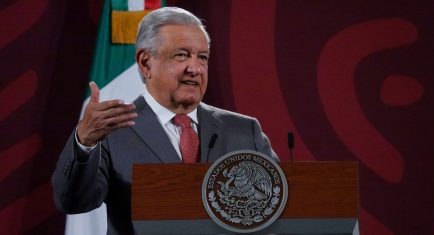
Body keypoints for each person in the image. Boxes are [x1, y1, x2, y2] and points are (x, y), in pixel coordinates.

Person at [52, 7, 277, 235]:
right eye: (181, 55)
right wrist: (84, 144)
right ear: (145, 63)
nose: (195, 68)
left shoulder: (244, 131)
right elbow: (75, 202)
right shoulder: (111, 132)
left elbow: (282, 209)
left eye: (202, 57)